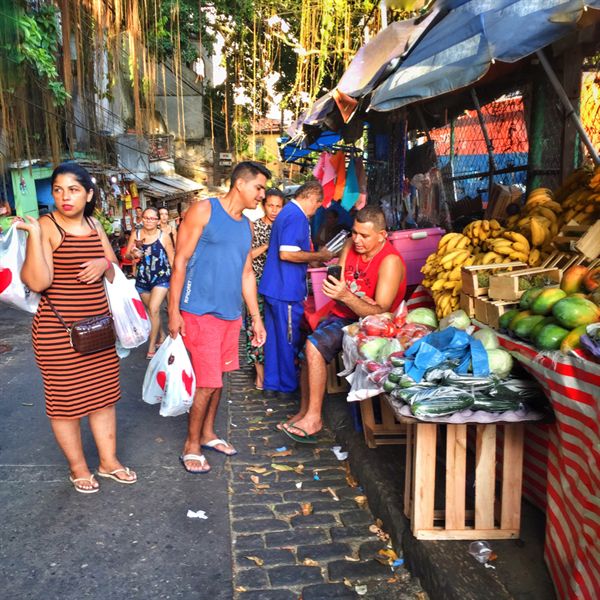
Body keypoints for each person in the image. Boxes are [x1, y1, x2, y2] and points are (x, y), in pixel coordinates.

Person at [16, 162, 137, 493]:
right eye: (58, 190)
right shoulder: (48, 225)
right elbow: (39, 282)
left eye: (73, 189)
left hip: (98, 330)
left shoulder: (94, 223)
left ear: (88, 193)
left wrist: (103, 262)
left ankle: (108, 461)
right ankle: (79, 468)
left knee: (103, 397)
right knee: (66, 403)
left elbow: (114, 269)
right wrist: (38, 237)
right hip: (59, 334)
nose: (64, 197)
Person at [168, 161, 268, 474]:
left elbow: (246, 273)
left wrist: (255, 318)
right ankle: (191, 445)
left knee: (220, 379)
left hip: (230, 314)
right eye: (259, 187)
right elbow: (180, 260)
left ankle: (209, 434)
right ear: (240, 184)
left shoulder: (246, 226)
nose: (261, 195)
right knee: (207, 382)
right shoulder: (204, 211)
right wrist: (173, 311)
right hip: (199, 311)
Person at [280, 206, 406, 442]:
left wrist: (348, 296)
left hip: (374, 325)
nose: (356, 240)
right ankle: (304, 412)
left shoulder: (390, 261)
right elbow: (338, 278)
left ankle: (315, 419)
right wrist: (348, 295)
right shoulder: (350, 244)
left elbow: (380, 310)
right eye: (354, 232)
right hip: (344, 314)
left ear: (382, 235)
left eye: (364, 236)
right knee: (305, 350)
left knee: (313, 347)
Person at [259, 181, 335, 400]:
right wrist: (319, 256)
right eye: (317, 205)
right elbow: (287, 253)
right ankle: (286, 385)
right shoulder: (297, 216)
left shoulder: (286, 213)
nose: (316, 210)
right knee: (288, 339)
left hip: (274, 286)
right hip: (286, 289)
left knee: (274, 338)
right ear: (312, 198)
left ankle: (272, 383)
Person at [246, 188, 285, 390]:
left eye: (278, 206)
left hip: (279, 285)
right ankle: (260, 374)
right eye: (270, 205)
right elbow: (247, 257)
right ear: (264, 205)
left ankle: (274, 371)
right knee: (255, 328)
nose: (274, 210)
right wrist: (268, 245)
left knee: (276, 330)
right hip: (257, 283)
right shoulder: (254, 226)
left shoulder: (285, 227)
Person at [124, 206, 174, 359]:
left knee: (153, 308)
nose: (149, 221)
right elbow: (126, 254)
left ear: (158, 221)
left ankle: (151, 348)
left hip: (161, 277)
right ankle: (161, 335)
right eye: (146, 218)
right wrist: (133, 254)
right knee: (153, 312)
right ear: (142, 219)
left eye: (153, 218)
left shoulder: (163, 236)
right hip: (143, 278)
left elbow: (172, 258)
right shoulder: (136, 234)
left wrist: (176, 279)